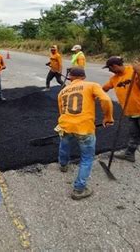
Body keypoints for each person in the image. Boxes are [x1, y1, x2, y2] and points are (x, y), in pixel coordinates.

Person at [57, 67, 114, 200]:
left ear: (70, 77)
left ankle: (63, 165)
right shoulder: (91, 85)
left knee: (64, 145)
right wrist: (108, 117)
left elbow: (61, 111)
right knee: (87, 158)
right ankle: (79, 189)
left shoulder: (62, 91)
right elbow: (105, 100)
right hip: (84, 128)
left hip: (65, 125)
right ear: (83, 77)